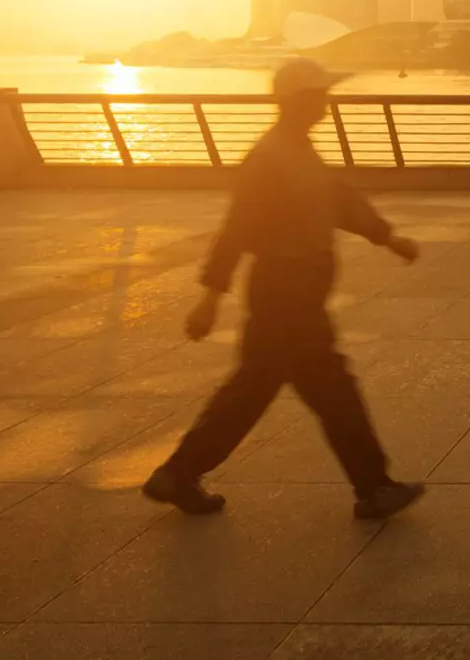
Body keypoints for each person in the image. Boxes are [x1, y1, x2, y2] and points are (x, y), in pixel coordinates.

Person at [142, 57, 426, 519]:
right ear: (299, 101)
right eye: (320, 95)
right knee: (333, 391)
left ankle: (178, 473)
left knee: (250, 391)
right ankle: (373, 488)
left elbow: (339, 201)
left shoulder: (299, 151)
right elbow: (236, 230)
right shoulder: (269, 158)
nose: (328, 103)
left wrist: (388, 237)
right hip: (285, 293)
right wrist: (210, 297)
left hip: (297, 293)